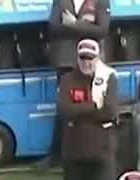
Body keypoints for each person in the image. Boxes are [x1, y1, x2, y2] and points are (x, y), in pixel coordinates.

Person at [57, 39, 121, 180]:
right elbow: (64, 111)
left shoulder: (109, 77)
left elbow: (111, 111)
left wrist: (82, 113)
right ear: (77, 58)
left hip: (102, 151)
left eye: (90, 58)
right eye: (82, 57)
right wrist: (93, 106)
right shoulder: (67, 80)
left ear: (97, 57)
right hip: (74, 152)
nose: (86, 62)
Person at [43, 0, 110, 169]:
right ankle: (57, 156)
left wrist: (74, 24)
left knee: (90, 105)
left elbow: (102, 30)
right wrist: (85, 27)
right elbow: (53, 27)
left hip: (91, 64)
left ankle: (88, 153)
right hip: (65, 62)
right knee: (64, 109)